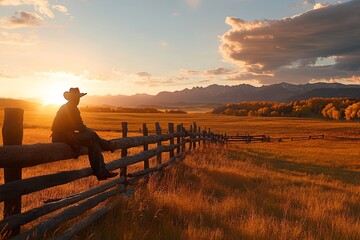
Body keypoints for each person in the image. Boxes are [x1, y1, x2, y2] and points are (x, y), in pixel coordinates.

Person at [51, 87, 118, 181]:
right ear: (72, 98)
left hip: (65, 136)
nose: (78, 100)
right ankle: (107, 145)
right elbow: (80, 127)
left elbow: (78, 127)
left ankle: (101, 172)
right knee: (92, 135)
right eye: (76, 98)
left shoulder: (68, 107)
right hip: (62, 137)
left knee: (93, 143)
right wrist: (88, 131)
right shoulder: (72, 108)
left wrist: (86, 130)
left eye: (78, 98)